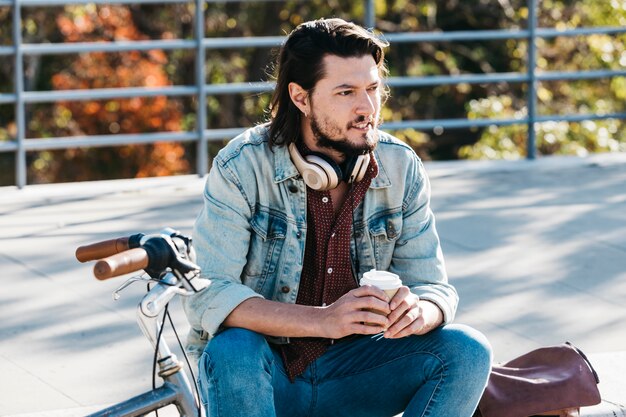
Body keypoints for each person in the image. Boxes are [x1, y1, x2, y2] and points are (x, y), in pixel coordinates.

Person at [183, 17, 492, 417]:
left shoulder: (401, 167)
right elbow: (210, 294)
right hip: (266, 378)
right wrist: (324, 320)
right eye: (346, 92)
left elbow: (434, 288)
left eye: (372, 89)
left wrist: (419, 311)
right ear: (301, 98)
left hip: (358, 372)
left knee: (466, 350)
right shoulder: (241, 166)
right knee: (233, 347)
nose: (366, 107)